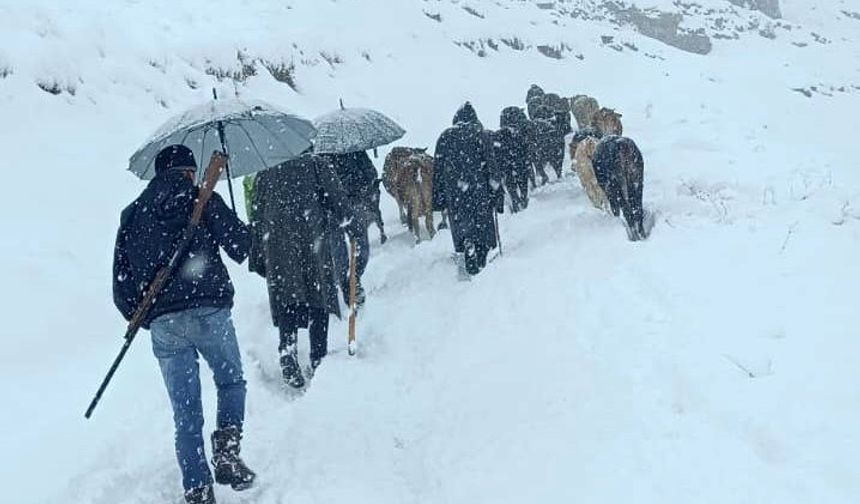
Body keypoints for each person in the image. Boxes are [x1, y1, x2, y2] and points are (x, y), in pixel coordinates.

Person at [112, 145, 255, 504]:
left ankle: (197, 486)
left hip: (164, 322)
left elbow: (122, 286)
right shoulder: (201, 197)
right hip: (210, 311)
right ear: (189, 171)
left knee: (185, 409)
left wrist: (150, 318)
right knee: (230, 381)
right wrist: (234, 220)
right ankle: (226, 451)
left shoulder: (132, 214)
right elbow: (241, 246)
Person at [249, 152, 358, 388]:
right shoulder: (316, 164)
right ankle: (318, 357)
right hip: (312, 241)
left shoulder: (265, 171)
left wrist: (257, 252)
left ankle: (288, 350)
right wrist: (351, 223)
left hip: (277, 245)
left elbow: (256, 213)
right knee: (317, 299)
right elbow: (337, 200)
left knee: (287, 298)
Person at [432, 102, 503, 276]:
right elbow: (492, 167)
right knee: (483, 226)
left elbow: (437, 171)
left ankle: (467, 244)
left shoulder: (444, 137)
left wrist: (438, 198)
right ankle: (482, 256)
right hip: (480, 191)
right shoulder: (481, 135)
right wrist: (497, 193)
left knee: (461, 225)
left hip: (454, 193)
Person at [319, 150, 383, 306]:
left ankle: (347, 280)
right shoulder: (354, 150)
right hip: (352, 204)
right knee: (360, 242)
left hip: (333, 206)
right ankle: (353, 279)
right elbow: (371, 173)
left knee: (338, 246)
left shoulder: (320, 155)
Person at [496, 106, 530, 212]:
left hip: (507, 163)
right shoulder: (520, 134)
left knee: (510, 181)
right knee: (522, 179)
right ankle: (523, 198)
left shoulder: (500, 135)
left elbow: (498, 152)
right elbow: (525, 148)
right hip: (519, 161)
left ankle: (515, 200)